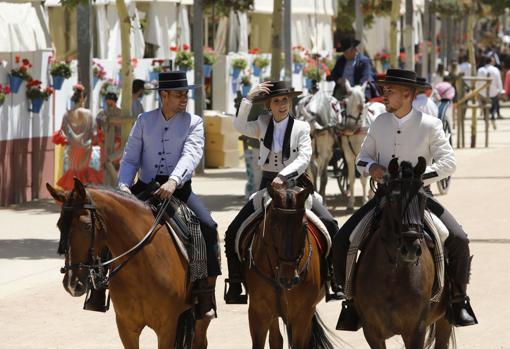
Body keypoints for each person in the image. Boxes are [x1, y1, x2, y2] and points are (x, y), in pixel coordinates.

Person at [332, 69, 477, 330]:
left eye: (390, 91)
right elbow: (362, 157)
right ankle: (351, 302)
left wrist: (418, 178)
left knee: (459, 239)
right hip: (384, 198)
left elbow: (449, 162)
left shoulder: (430, 124)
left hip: (419, 197)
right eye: (384, 90)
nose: (384, 95)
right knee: (344, 238)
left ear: (407, 94)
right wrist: (372, 168)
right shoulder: (379, 123)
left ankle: (458, 300)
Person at [224, 81, 341, 304]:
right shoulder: (261, 123)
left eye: (285, 100)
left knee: (331, 224)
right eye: (276, 101)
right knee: (233, 231)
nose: (282, 105)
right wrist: (248, 99)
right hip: (267, 186)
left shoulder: (302, 127)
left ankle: (333, 279)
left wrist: (283, 176)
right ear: (269, 105)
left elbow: (304, 157)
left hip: (296, 185)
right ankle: (236, 282)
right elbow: (238, 125)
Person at [117, 71, 221, 320]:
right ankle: (98, 286)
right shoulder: (143, 120)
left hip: (180, 189)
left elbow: (191, 154)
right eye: (178, 94)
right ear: (163, 95)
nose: (184, 98)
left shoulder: (194, 122)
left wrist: (174, 181)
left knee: (207, 226)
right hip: (144, 188)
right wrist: (123, 185)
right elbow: (131, 157)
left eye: (185, 93)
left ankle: (205, 292)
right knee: (112, 223)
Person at [57, 84, 103, 190]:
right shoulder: (89, 114)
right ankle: (83, 195)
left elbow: (63, 131)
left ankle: (72, 193)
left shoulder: (67, 114)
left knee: (73, 170)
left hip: (72, 148)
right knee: (83, 171)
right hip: (86, 148)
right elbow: (94, 133)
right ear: (83, 98)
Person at [477, 54, 503, 129]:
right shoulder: (495, 70)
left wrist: (478, 92)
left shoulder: (480, 70)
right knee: (494, 106)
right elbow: (499, 81)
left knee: (485, 108)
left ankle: (486, 121)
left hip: (483, 93)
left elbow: (478, 82)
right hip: (493, 92)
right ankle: (493, 117)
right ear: (491, 61)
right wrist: (500, 91)